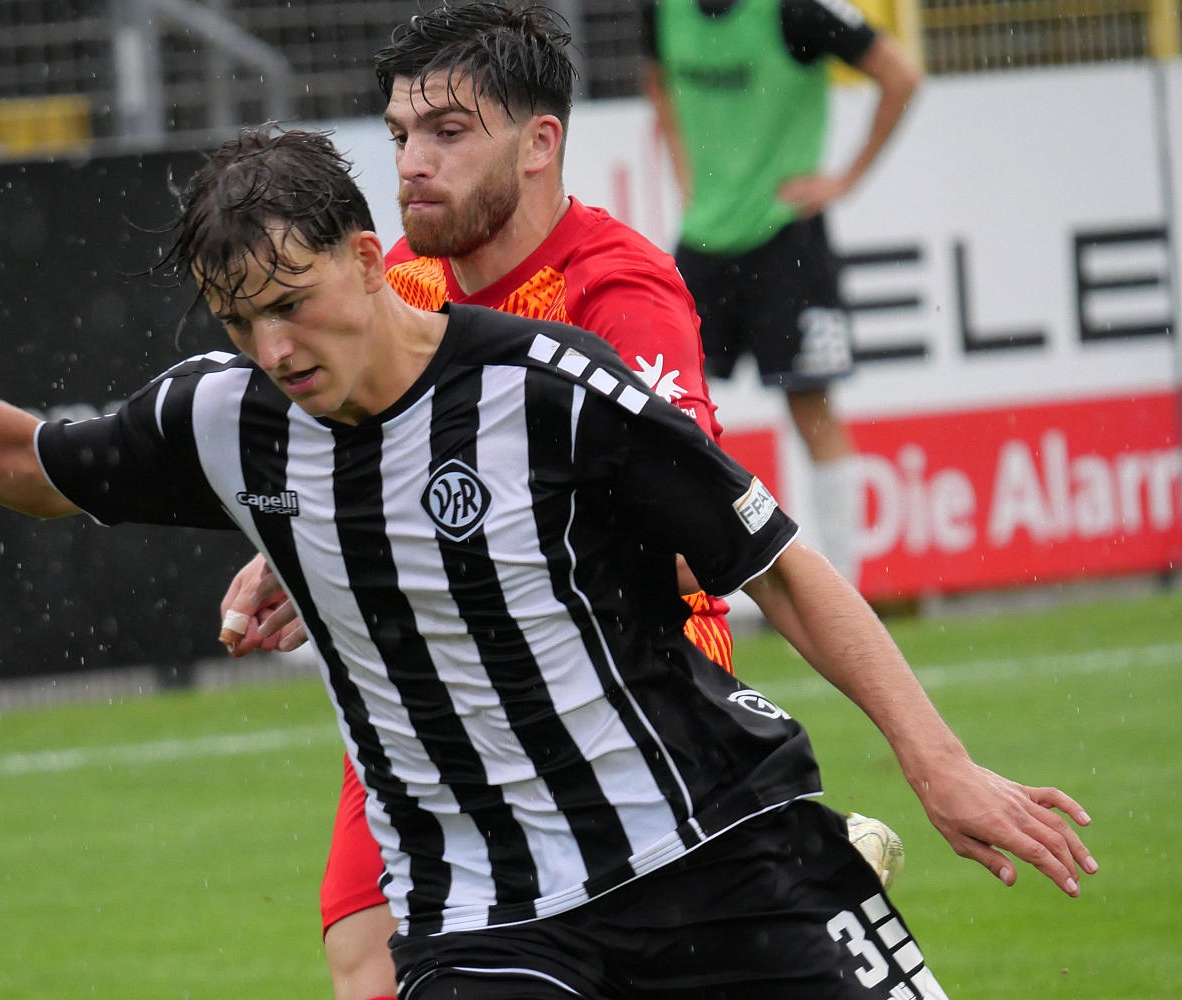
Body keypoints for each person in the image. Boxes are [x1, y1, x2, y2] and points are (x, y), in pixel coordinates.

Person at [0, 126, 1095, 999]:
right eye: (239, 322)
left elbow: (776, 561)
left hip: (708, 850)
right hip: (484, 916)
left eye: (293, 304)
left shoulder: (550, 386)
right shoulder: (227, 419)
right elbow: (19, 459)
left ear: (368, 260)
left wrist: (939, 763)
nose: (273, 349)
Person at [215, 7, 896, 998]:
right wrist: (302, 550)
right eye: (401, 135)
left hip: (620, 681)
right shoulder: (399, 281)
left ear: (539, 145)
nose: (411, 163)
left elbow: (696, 546)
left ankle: (769, 886)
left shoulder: (618, 290)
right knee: (366, 963)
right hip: (432, 687)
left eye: (447, 132)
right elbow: (362, 458)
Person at [640, 0, 923, 589]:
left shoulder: (796, 9)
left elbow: (900, 75)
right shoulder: (661, 9)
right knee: (669, 412)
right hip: (703, 241)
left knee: (811, 407)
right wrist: (687, 177)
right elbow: (657, 81)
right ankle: (686, 584)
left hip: (785, 238)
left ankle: (844, 593)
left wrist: (846, 179)